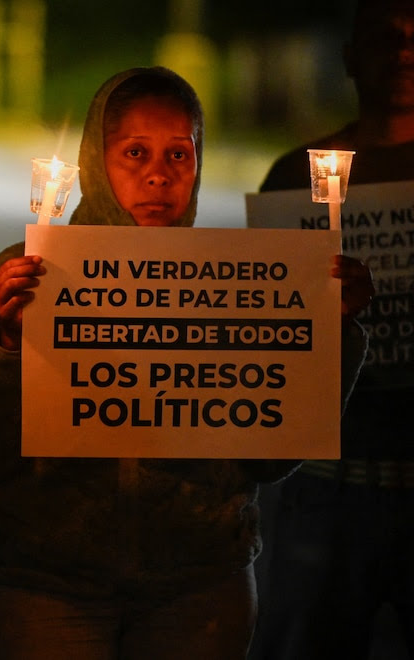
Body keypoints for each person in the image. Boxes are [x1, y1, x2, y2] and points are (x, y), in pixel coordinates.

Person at [0, 66, 373, 660]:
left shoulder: (237, 282)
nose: (157, 173)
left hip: (200, 593)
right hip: (45, 588)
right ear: (96, 158)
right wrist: (8, 340)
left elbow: (270, 457)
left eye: (179, 153)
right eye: (135, 152)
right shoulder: (26, 277)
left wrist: (332, 331)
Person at [249, 1, 414, 658]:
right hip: (325, 490)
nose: (402, 53)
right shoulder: (296, 181)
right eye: (384, 38)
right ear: (350, 56)